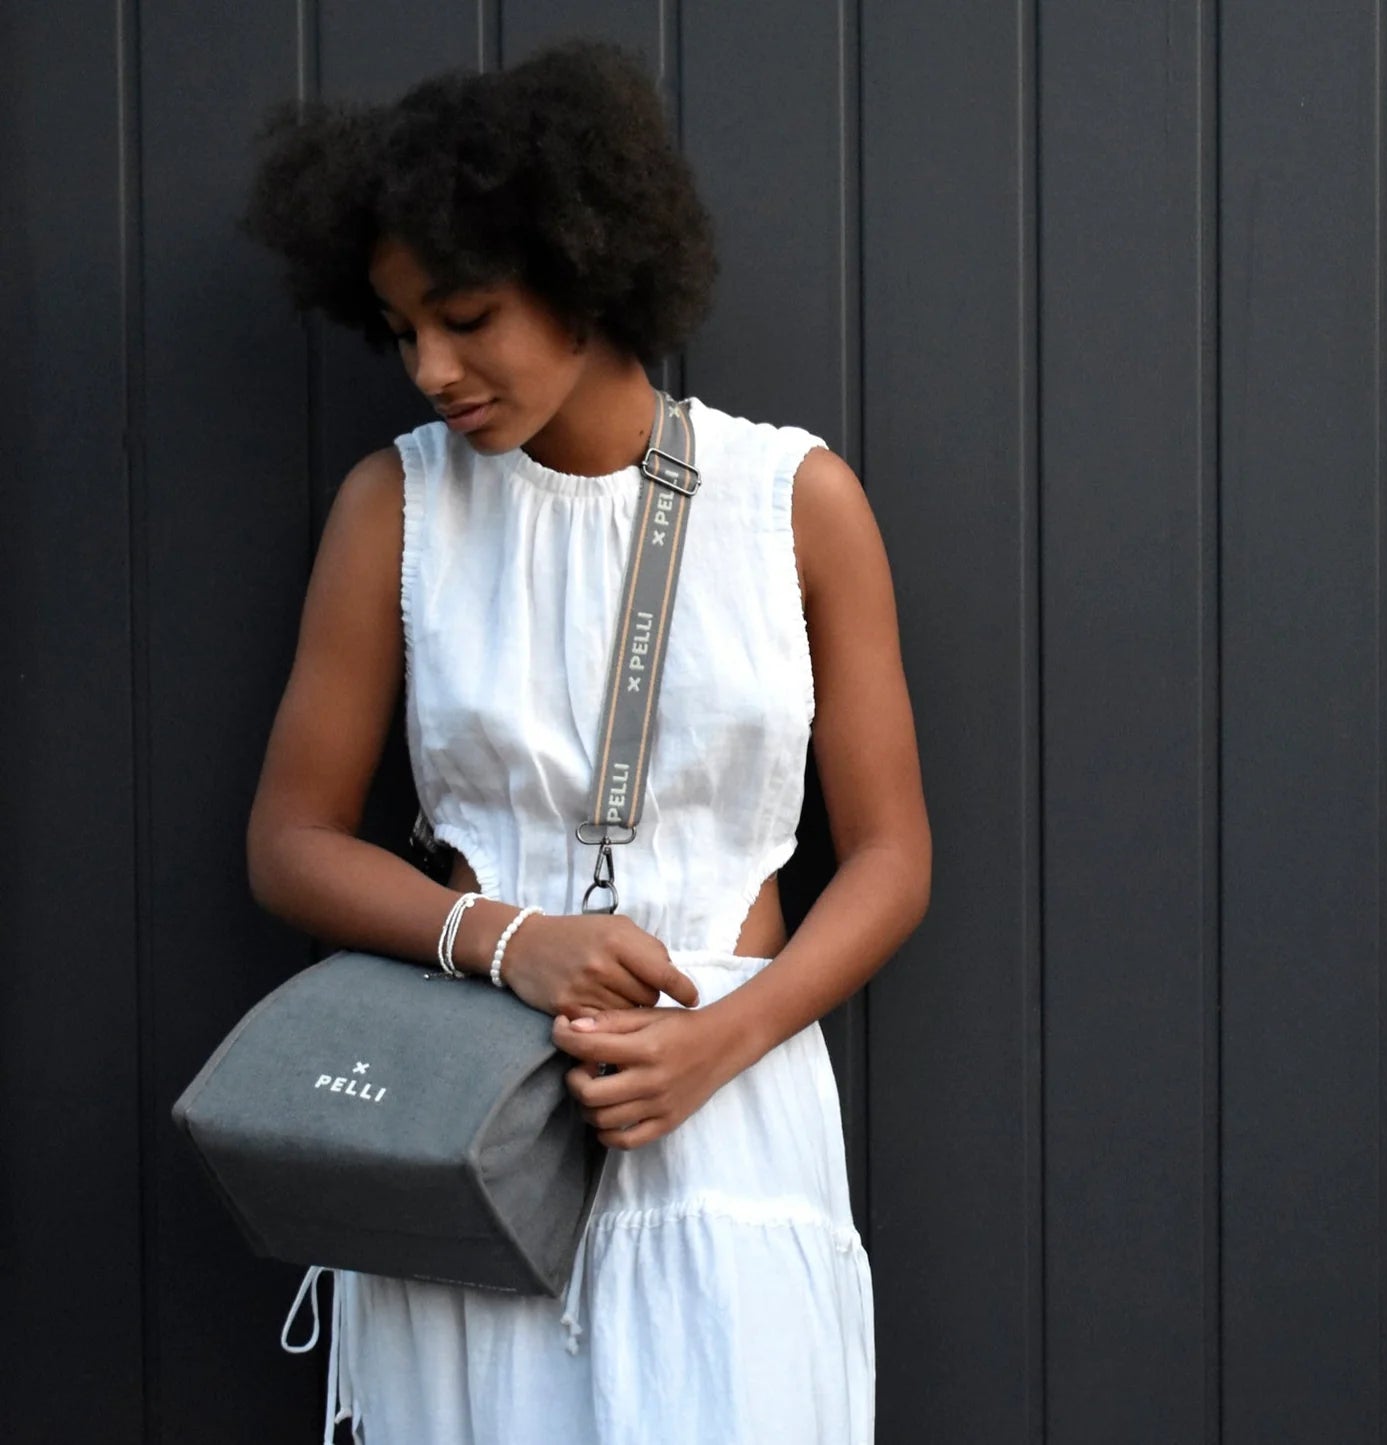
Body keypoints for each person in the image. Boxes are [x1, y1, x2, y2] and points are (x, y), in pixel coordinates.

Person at [243, 40, 929, 1445]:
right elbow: (290, 843)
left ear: (586, 269)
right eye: (400, 330)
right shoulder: (396, 509)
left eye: (466, 317)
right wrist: (508, 939)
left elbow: (892, 854)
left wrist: (722, 1040)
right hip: (471, 1127)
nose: (431, 368)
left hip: (726, 1125)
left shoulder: (792, 500)